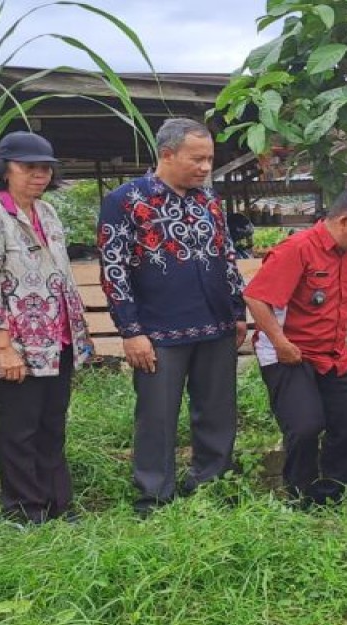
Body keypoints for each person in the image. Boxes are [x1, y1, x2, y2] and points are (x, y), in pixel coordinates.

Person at [98, 118, 246, 515]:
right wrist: (130, 330)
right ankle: (154, 496)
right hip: (157, 331)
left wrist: (237, 311)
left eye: (209, 159)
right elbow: (114, 269)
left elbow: (227, 255)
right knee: (156, 417)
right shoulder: (125, 200)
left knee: (217, 412)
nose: (205, 167)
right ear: (167, 154)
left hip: (216, 324)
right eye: (197, 159)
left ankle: (211, 485)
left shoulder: (209, 199)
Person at [0, 132, 94, 525]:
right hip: (16, 341)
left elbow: (61, 275)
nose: (39, 174)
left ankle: (58, 502)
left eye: (45, 168)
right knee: (20, 428)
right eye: (28, 167)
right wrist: (2, 347)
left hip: (58, 338)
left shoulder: (47, 212)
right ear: (5, 170)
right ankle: (24, 508)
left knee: (52, 424)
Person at [243, 188, 347, 506]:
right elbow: (255, 297)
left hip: (333, 351)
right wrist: (280, 343)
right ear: (345, 221)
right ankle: (299, 496)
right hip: (291, 353)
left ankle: (332, 497)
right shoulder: (298, 249)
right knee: (305, 426)